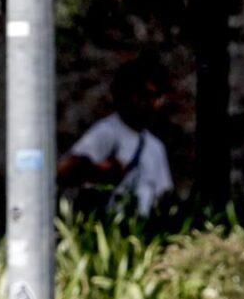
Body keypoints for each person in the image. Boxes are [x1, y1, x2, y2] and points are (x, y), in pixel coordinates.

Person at [59, 60, 174, 219]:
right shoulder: (107, 132)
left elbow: (163, 196)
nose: (148, 103)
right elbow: (64, 171)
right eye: (143, 95)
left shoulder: (154, 146)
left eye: (154, 97)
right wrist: (98, 171)